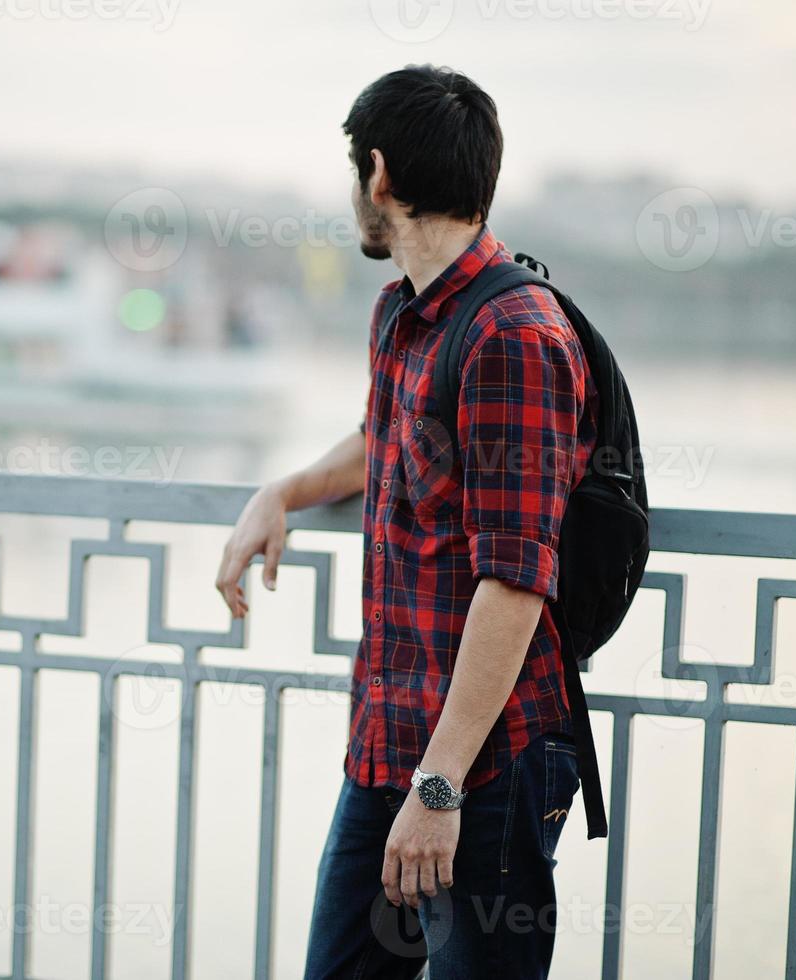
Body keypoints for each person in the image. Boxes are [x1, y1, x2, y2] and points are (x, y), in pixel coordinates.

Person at [214, 65, 596, 978]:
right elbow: (380, 438)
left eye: (353, 170)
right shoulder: (404, 313)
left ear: (377, 174)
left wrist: (440, 785)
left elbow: (514, 579)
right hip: (388, 740)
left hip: (482, 766)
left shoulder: (515, 336)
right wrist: (284, 492)